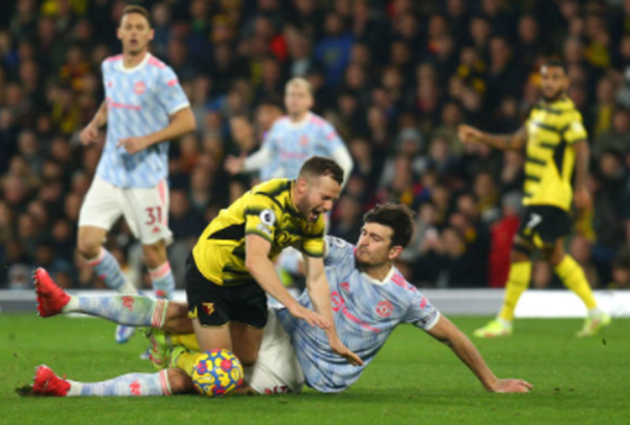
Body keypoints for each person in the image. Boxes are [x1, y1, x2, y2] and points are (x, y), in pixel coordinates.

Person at [30, 204, 531, 396]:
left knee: (198, 381)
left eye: (375, 239)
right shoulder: (333, 252)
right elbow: (281, 243)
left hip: (294, 373)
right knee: (184, 313)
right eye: (363, 231)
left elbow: (452, 336)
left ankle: (68, 389)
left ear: (395, 251)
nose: (362, 241)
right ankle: (65, 301)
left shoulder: (403, 298)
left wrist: (492, 382)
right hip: (275, 325)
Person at [458, 59, 611, 338]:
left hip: (551, 196)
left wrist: (581, 188)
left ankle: (504, 320)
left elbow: (583, 149)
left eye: (555, 77)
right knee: (554, 254)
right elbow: (516, 142)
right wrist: (481, 137)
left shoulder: (568, 114)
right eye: (546, 77)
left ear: (566, 82)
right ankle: (595, 311)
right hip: (536, 194)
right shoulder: (539, 111)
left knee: (519, 249)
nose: (550, 82)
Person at [76, 5, 196, 343]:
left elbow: (187, 120)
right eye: (127, 26)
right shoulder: (109, 66)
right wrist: (94, 124)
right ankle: (132, 306)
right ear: (119, 33)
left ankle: (165, 324)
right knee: (87, 244)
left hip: (147, 177)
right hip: (110, 172)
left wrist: (147, 139)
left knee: (153, 253)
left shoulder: (161, 74)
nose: (133, 32)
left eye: (139, 27)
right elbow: (111, 102)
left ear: (149, 34)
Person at [224, 78, 353, 183]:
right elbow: (267, 155)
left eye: (300, 95)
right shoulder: (279, 126)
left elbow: (345, 162)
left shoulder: (321, 127)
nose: (295, 99)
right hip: (286, 201)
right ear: (285, 99)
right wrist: (246, 165)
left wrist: (331, 194)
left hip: (311, 205)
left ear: (310, 101)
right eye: (291, 95)